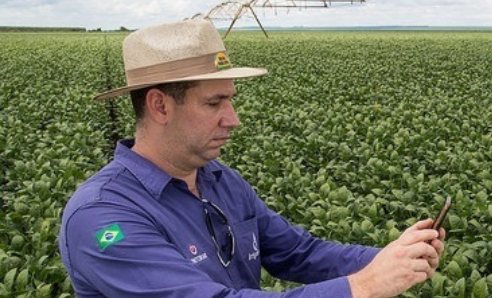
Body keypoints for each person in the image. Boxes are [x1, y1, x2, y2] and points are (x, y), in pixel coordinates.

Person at [59, 19, 445, 298]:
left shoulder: (217, 179)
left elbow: (297, 252)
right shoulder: (102, 217)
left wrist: (394, 258)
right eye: (214, 103)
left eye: (231, 100)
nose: (233, 119)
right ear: (160, 105)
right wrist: (363, 286)